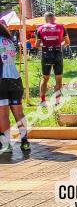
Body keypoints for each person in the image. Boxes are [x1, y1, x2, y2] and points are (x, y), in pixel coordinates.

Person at [0, 21, 30, 153]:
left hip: (2, 80)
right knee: (19, 112)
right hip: (15, 79)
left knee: (3, 114)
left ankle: (7, 145)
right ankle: (25, 142)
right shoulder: (9, 41)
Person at [35, 12, 69, 106]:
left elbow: (37, 45)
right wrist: (58, 46)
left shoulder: (40, 28)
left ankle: (42, 101)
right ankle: (57, 101)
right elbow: (67, 42)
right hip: (58, 53)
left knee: (45, 78)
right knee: (58, 79)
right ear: (54, 18)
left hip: (46, 55)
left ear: (46, 19)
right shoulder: (61, 27)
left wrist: (46, 46)